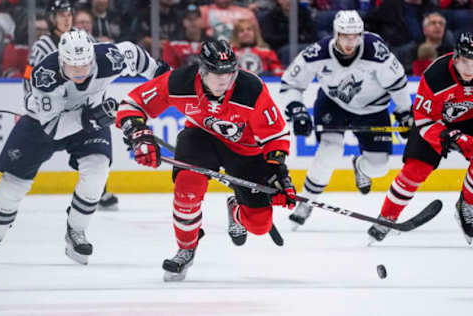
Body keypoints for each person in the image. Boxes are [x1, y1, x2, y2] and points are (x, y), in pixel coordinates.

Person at [115, 39, 296, 281]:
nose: (223, 80)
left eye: (229, 72)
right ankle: (186, 248)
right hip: (201, 138)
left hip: (246, 151)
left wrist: (279, 174)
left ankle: (237, 211)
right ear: (202, 70)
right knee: (187, 189)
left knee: (260, 225)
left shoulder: (251, 88)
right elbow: (132, 103)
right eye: (216, 73)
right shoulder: (180, 81)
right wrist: (138, 134)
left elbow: (275, 135)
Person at [0, 29, 165, 264]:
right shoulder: (46, 75)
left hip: (90, 119)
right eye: (73, 67)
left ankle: (76, 230)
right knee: (11, 188)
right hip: (42, 125)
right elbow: (52, 130)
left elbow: (135, 54)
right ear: (62, 60)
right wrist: (92, 118)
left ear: (93, 57)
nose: (80, 72)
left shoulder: (109, 57)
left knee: (97, 171)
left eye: (85, 65)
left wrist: (163, 75)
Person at [280, 10, 413, 230]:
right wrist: (297, 110)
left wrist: (405, 113)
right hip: (334, 103)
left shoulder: (377, 53)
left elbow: (398, 85)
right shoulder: (318, 52)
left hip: (374, 108)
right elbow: (290, 83)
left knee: (378, 168)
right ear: (336, 33)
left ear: (361, 33)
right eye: (345, 35)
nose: (350, 42)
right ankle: (306, 202)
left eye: (355, 35)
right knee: (330, 149)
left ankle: (359, 166)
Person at [367, 32, 473, 245]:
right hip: (435, 123)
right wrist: (445, 135)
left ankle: (467, 206)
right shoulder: (436, 76)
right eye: (466, 62)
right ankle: (387, 216)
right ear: (456, 58)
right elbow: (424, 119)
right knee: (415, 169)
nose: (470, 70)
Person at [23, 0, 119, 210]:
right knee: (37, 150)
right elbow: (30, 79)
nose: (66, 17)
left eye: (68, 13)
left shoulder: (86, 40)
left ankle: (97, 192)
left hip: (82, 109)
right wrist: (31, 105)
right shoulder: (43, 46)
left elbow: (96, 76)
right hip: (55, 110)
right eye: (60, 14)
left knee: (95, 153)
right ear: (52, 18)